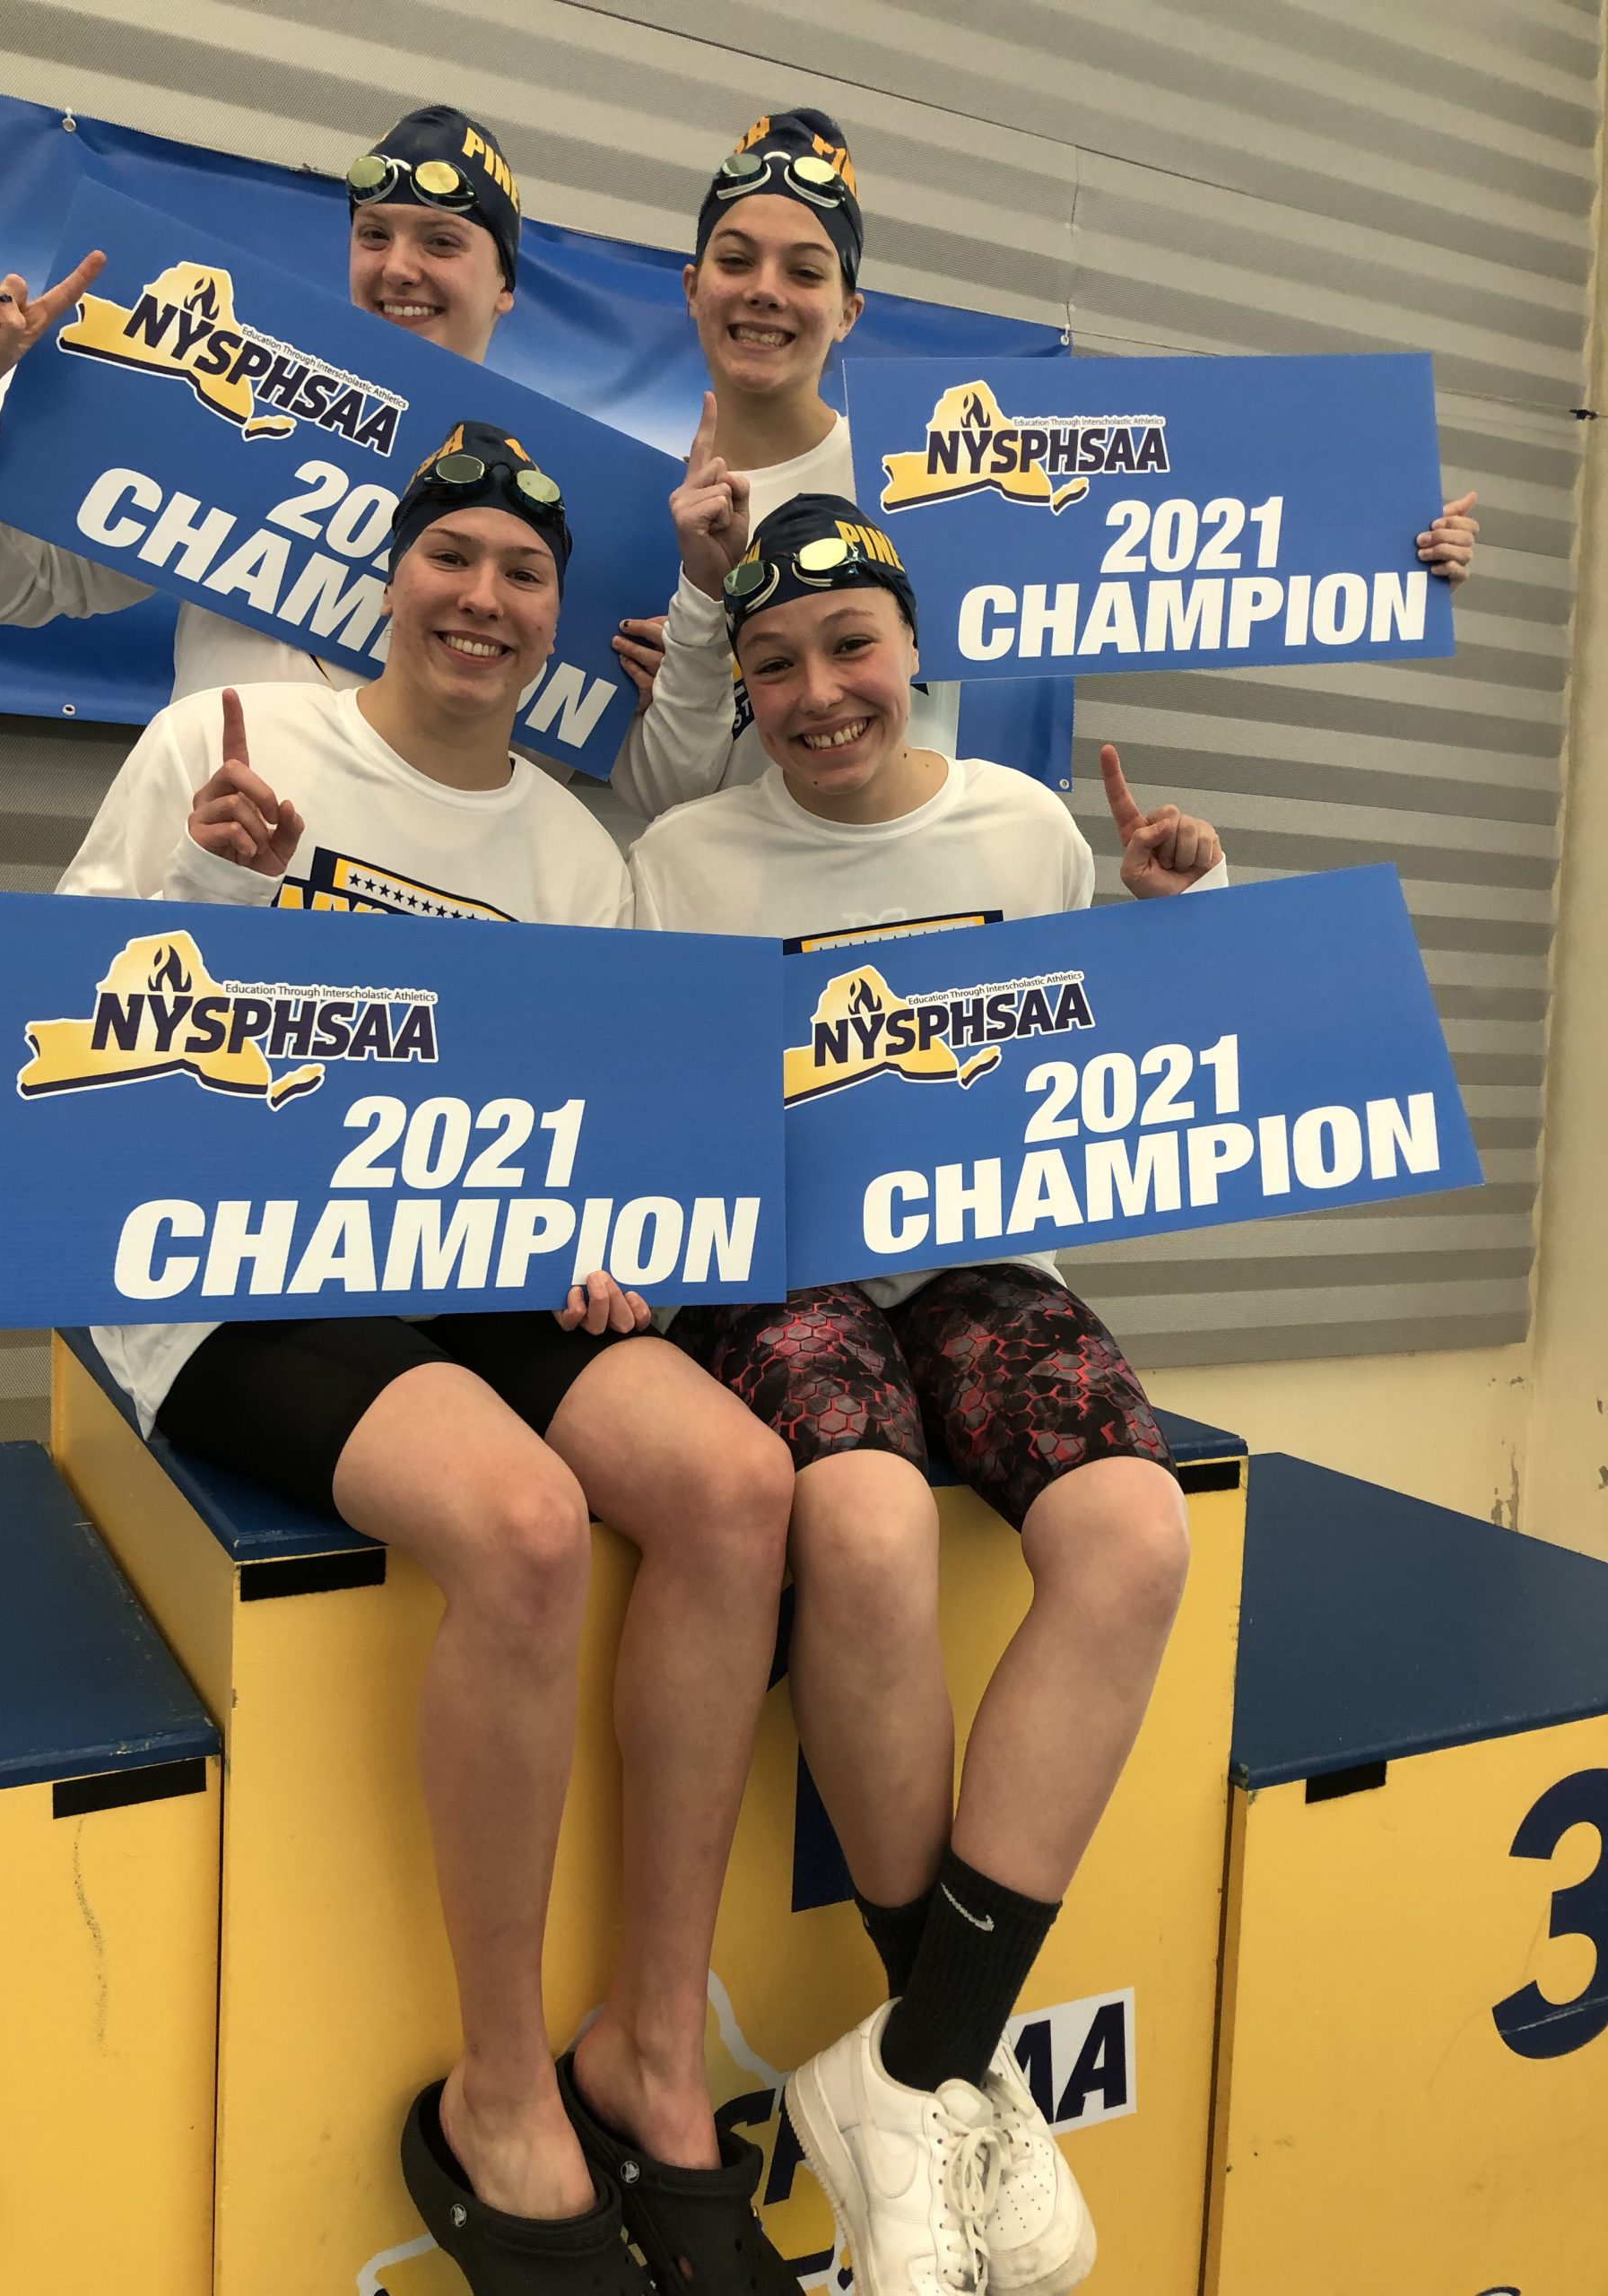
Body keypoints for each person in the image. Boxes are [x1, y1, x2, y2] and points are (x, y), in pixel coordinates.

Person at [59, 422, 800, 2296]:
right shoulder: (222, 751)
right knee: (525, 1522)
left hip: (477, 1263)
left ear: (561, 615)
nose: (484, 595)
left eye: (524, 572)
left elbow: (613, 1126)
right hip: (237, 1274)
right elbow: (70, 1055)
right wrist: (219, 902)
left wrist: (617, 1240)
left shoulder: (572, 839)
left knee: (737, 1483)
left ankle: (647, 2043)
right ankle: (496, 2087)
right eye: (451, 555)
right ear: (388, 576)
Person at [630, 493, 1233, 2296]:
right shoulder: (685, 858)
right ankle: (952, 2070)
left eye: (852, 648)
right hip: (782, 1266)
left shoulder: (1024, 821)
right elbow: (651, 1111)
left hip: (987, 1262)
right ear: (738, 682)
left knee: (1135, 1531)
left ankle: (903, 2064)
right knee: (865, 1518)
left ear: (915, 648)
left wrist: (1181, 916)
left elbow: (1127, 1056)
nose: (820, 693)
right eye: (776, 663)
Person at [605, 105, 1481, 839]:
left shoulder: (930, 474)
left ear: (849, 311)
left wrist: (1388, 541)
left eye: (804, 270)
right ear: (691, 286)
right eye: (735, 259)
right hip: (714, 914)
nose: (764, 289)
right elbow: (662, 804)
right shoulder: (619, 498)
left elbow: (1212, 538)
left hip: (896, 906)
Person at [0, 103, 531, 701]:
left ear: (504, 284)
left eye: (441, 243)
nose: (396, 267)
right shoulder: (231, 418)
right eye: (373, 235)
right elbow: (18, 588)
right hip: (205, 804)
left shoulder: (542, 497)